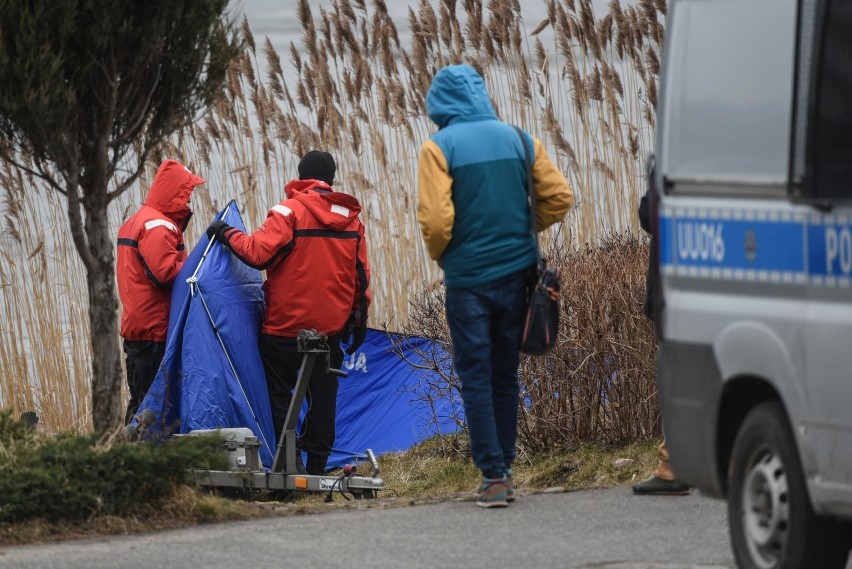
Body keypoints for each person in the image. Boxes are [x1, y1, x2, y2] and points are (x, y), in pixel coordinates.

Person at [417, 64, 574, 508]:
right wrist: (521, 229)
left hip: (468, 281)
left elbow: (435, 221)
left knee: (475, 376)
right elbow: (559, 197)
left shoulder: (438, 147)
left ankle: (492, 478)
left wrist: (447, 253)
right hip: (518, 276)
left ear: (440, 105)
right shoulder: (521, 139)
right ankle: (504, 469)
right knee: (506, 374)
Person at [206, 150, 371, 476]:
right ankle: (319, 467)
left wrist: (224, 232)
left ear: (300, 175)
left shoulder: (288, 211)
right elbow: (360, 276)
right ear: (331, 179)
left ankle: (289, 465)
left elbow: (255, 254)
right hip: (330, 329)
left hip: (284, 328)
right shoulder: (352, 219)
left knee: (279, 395)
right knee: (324, 396)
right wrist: (359, 318)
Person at [117, 159, 206, 423]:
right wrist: (198, 265)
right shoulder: (159, 226)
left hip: (138, 326)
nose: (189, 201)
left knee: (141, 400)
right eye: (186, 194)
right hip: (153, 330)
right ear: (174, 193)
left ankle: (127, 455)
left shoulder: (137, 221)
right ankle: (140, 460)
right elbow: (164, 273)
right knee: (151, 406)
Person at [632, 156, 689, 496]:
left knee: (675, 375)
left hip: (676, 283)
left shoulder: (678, 146)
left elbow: (651, 214)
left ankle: (672, 467)